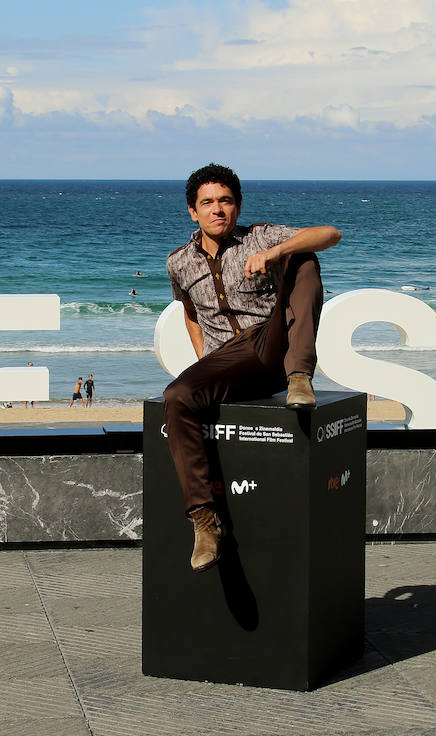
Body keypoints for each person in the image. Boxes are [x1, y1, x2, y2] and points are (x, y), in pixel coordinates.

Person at [163, 163, 340, 572]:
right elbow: (189, 311)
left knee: (304, 257)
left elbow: (331, 234)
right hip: (230, 360)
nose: (217, 209)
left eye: (225, 201)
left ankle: (301, 375)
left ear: (237, 207)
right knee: (177, 396)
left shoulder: (259, 236)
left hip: (273, 343)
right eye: (207, 203)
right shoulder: (178, 263)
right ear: (193, 211)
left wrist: (277, 252)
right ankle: (205, 522)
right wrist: (204, 359)